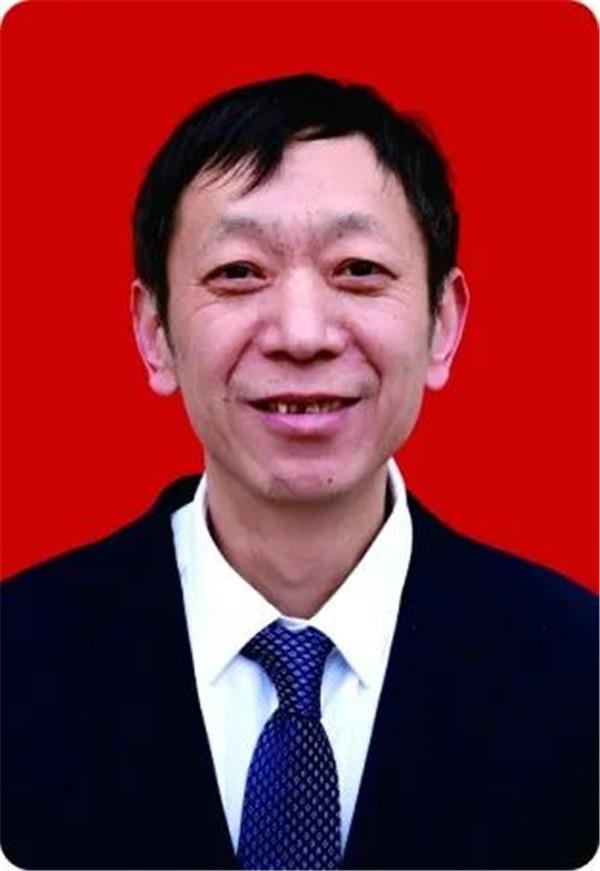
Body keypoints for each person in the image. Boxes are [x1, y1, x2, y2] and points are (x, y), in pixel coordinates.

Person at [1, 74, 597, 871]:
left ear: (443, 323)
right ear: (154, 332)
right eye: (239, 272)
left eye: (358, 268)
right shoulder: (18, 656)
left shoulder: (579, 667)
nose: (303, 333)